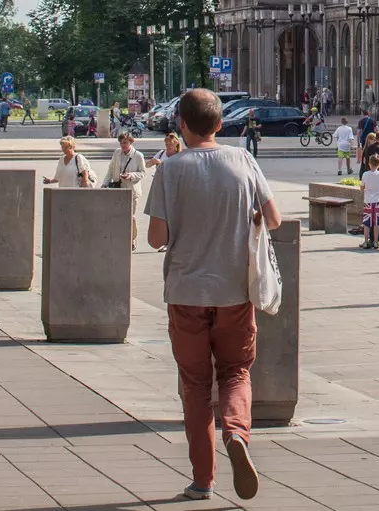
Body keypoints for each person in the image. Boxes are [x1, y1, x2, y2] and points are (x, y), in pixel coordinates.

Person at [145, 88, 280, 502]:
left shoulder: (170, 169)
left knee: (195, 385)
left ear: (181, 126)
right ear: (221, 124)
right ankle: (237, 433)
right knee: (236, 372)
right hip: (234, 291)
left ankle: (203, 480)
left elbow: (156, 238)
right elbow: (272, 218)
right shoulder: (243, 160)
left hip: (186, 292)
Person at [359, 154, 379, 249]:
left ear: (369, 163)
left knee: (367, 223)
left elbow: (362, 188)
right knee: (376, 223)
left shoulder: (365, 174)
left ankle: (365, 241)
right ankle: (376, 241)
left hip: (368, 201)